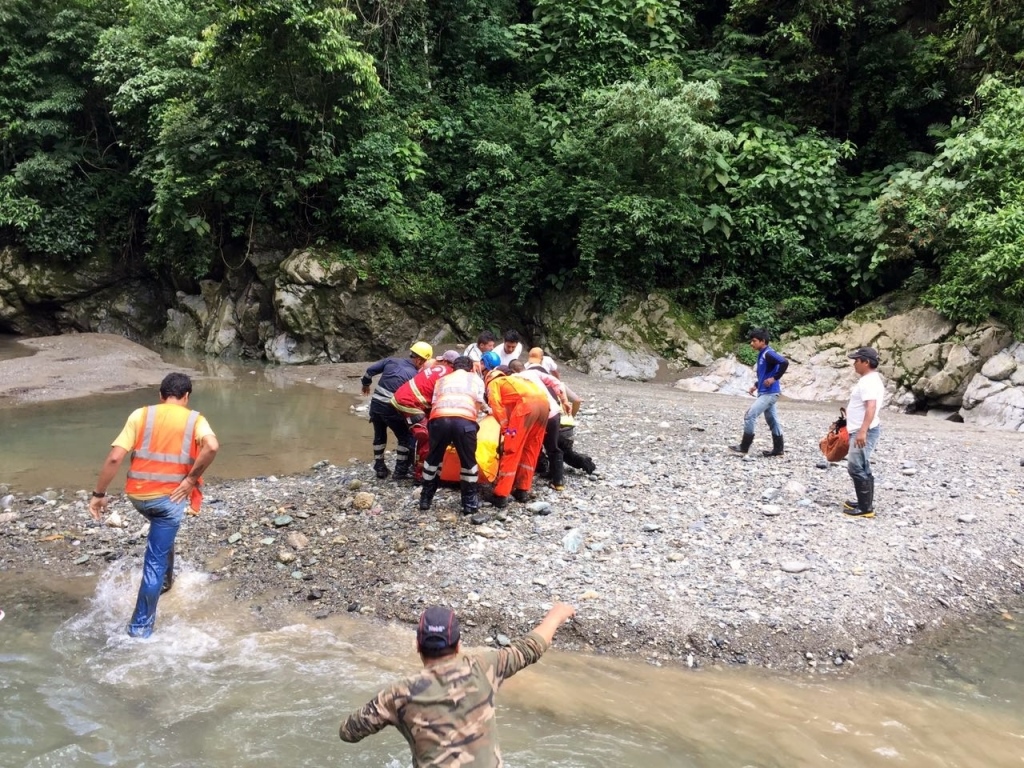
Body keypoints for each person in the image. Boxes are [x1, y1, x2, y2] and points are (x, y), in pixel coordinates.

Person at [339, 602, 577, 766]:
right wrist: (557, 614)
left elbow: (348, 733)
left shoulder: (397, 695)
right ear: (459, 644)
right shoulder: (484, 667)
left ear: (418, 646)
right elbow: (530, 647)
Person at [87, 372, 219, 638]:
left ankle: (167, 581)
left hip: (138, 496)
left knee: (162, 535)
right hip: (170, 500)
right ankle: (140, 628)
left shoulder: (141, 415)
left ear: (160, 396)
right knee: (154, 561)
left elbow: (115, 458)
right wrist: (191, 479)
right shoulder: (196, 420)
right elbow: (212, 446)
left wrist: (99, 493)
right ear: (187, 396)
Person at [420, 355, 487, 515]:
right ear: (471, 368)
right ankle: (469, 503)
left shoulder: (442, 380)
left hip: (439, 419)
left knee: (433, 459)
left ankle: (425, 499)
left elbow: (435, 402)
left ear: (453, 368)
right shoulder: (475, 379)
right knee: (468, 462)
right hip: (464, 422)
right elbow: (477, 406)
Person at [482, 359, 549, 507]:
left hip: (526, 408)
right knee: (531, 448)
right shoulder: (517, 380)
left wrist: (506, 429)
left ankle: (501, 495)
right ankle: (522, 489)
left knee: (512, 450)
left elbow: (496, 406)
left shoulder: (495, 383)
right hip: (544, 406)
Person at [362, 342, 433, 480]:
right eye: (423, 362)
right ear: (419, 360)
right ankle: (400, 470)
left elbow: (370, 370)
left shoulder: (391, 360)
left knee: (379, 435)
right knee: (405, 437)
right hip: (391, 408)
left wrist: (366, 384)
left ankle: (379, 467)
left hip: (376, 405)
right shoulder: (415, 375)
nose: (423, 365)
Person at [391, 351, 457, 483]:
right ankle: (420, 475)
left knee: (417, 436)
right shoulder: (449, 375)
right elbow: (439, 398)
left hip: (403, 398)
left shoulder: (435, 368)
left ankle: (407, 468)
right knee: (426, 436)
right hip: (410, 403)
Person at [730, 328, 789, 457]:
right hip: (765, 392)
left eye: (754, 341)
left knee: (749, 415)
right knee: (772, 420)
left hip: (770, 393)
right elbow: (765, 374)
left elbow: (784, 362)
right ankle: (778, 450)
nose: (752, 343)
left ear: (763, 341)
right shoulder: (762, 353)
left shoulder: (768, 353)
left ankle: (744, 447)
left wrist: (774, 379)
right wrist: (756, 385)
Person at [513, 360, 570, 492]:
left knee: (532, 443)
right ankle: (558, 481)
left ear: (513, 371)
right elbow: (557, 382)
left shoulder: (513, 378)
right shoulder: (535, 372)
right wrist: (564, 400)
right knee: (553, 446)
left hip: (535, 415)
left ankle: (531, 475)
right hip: (553, 412)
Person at [843, 347, 885, 518]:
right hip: (863, 429)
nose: (854, 364)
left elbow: (871, 407)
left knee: (855, 466)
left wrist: (862, 432)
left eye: (857, 360)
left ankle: (865, 508)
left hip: (864, 431)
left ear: (866, 362)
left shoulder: (868, 381)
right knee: (863, 465)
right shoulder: (870, 379)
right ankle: (864, 502)